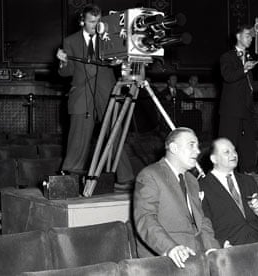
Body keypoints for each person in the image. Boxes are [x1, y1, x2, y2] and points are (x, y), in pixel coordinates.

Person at [56, 4, 133, 185]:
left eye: (98, 22)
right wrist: (62, 62)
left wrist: (119, 60)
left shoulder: (107, 39)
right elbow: (66, 73)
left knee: (115, 133)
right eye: (91, 22)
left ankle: (125, 178)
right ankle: (70, 180)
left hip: (106, 93)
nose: (95, 26)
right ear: (82, 21)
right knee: (78, 138)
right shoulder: (70, 41)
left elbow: (120, 61)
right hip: (82, 95)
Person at [133, 127, 220, 268]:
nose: (197, 151)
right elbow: (145, 218)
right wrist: (170, 248)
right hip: (166, 259)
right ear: (173, 148)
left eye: (197, 146)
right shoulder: (150, 175)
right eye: (191, 145)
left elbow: (201, 221)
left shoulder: (192, 180)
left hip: (196, 256)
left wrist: (213, 248)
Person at [200, 138, 258, 246]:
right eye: (227, 152)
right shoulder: (203, 187)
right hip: (233, 245)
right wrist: (220, 243)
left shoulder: (248, 180)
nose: (233, 155)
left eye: (234, 150)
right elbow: (203, 224)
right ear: (214, 159)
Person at [218, 25, 258, 174]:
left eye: (252, 37)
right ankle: (224, 177)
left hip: (246, 110)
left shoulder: (248, 58)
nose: (251, 39)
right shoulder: (227, 57)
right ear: (238, 36)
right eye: (248, 35)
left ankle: (248, 178)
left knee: (248, 147)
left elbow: (247, 85)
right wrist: (244, 69)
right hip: (231, 111)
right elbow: (228, 76)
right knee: (227, 147)